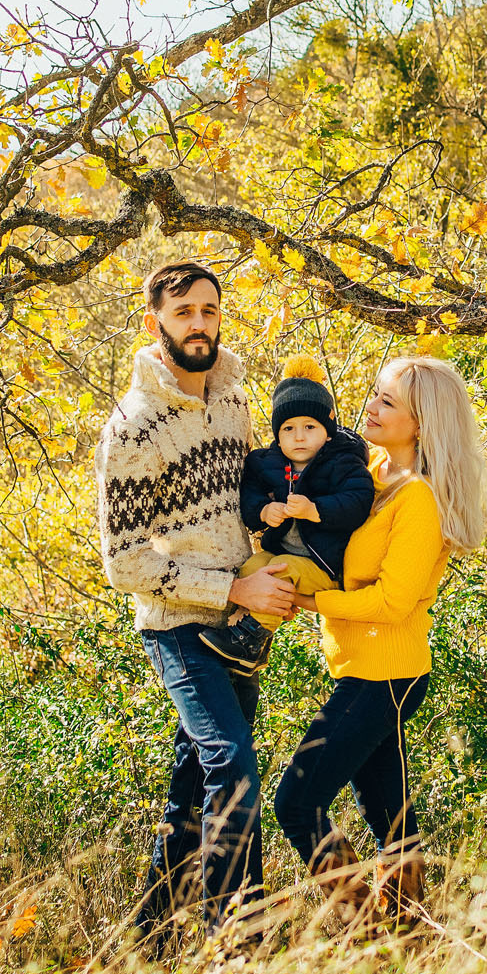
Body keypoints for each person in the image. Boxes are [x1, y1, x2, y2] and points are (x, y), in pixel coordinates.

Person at [96, 260, 295, 934]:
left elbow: (251, 501)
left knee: (193, 785)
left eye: (209, 310)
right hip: (177, 626)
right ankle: (237, 940)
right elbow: (123, 564)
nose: (200, 324)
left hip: (240, 626)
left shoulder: (236, 399)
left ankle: (147, 940)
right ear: (155, 323)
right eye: (184, 313)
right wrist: (229, 585)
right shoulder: (134, 426)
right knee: (231, 762)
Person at [272, 354, 487, 922]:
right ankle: (412, 934)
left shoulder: (418, 499)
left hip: (387, 675)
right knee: (389, 815)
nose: (370, 406)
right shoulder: (368, 470)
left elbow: (393, 602)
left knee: (296, 802)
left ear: (420, 422)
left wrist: (311, 601)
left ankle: (366, 924)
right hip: (359, 666)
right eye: (374, 394)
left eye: (387, 401)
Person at [201, 355, 376, 672]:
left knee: (281, 574)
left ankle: (251, 639)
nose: (299, 436)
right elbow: (248, 492)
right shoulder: (267, 463)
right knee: (253, 566)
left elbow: (358, 500)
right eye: (288, 428)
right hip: (282, 550)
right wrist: (263, 511)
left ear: (327, 431)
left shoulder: (342, 462)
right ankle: (248, 632)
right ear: (277, 434)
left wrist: (315, 509)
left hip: (322, 564)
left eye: (310, 427)